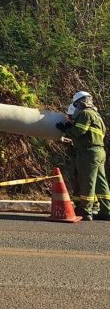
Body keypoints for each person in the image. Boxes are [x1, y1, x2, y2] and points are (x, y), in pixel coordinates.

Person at [56, 91, 110, 221]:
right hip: (99, 151)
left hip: (88, 153)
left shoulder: (85, 113)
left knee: (87, 181)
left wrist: (66, 129)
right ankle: (106, 210)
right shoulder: (96, 115)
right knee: (101, 182)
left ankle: (85, 210)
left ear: (79, 102)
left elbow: (78, 131)